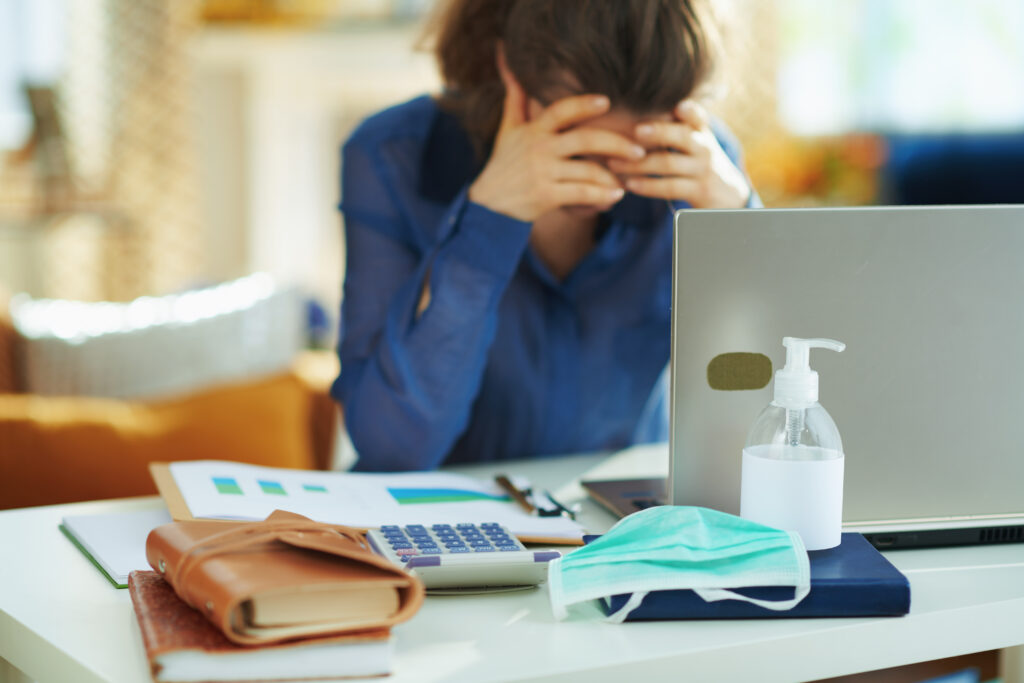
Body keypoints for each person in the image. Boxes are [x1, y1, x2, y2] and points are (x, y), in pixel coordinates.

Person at [332, 0, 760, 472]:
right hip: (443, 522)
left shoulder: (702, 169)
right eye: (580, 148)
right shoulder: (392, 156)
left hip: (623, 530)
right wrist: (486, 222)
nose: (608, 183)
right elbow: (394, 448)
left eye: (638, 151)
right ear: (509, 70)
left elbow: (771, 416)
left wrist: (743, 232)